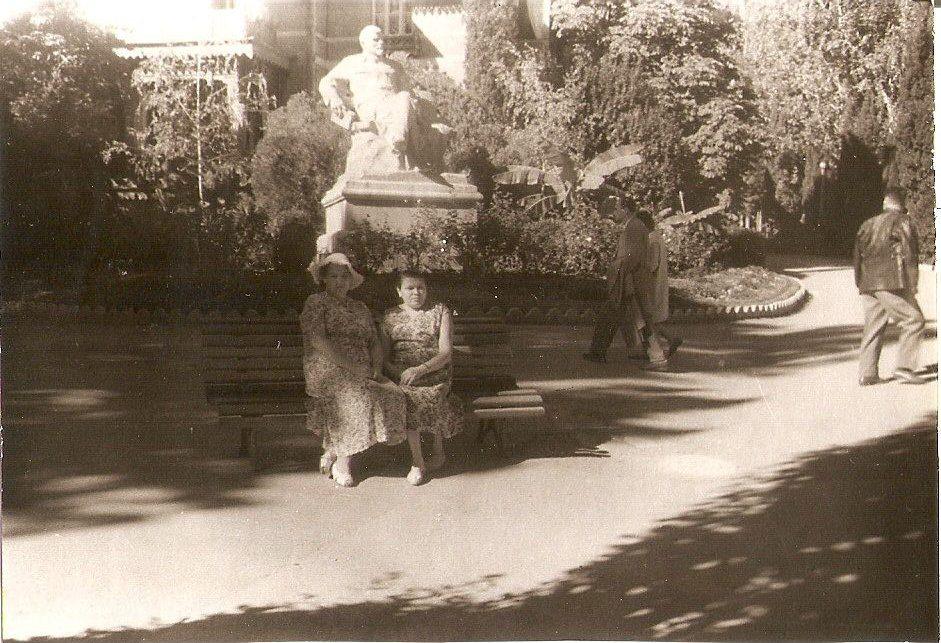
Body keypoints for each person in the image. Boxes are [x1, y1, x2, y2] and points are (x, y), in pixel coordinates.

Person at [300, 253, 410, 487]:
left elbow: (374, 341)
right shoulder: (316, 302)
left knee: (393, 394)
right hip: (328, 367)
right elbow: (318, 341)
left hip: (363, 368)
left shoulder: (359, 307)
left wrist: (377, 368)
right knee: (356, 396)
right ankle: (343, 463)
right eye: (334, 276)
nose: (339, 281)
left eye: (344, 277)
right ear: (324, 279)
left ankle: (334, 448)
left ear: (351, 281)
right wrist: (354, 367)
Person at [318, 25, 450, 179]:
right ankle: (402, 142)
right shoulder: (352, 62)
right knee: (404, 99)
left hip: (396, 106)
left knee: (406, 98)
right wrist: (334, 99)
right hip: (370, 107)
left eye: (382, 39)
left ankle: (400, 139)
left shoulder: (395, 66)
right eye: (376, 40)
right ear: (363, 43)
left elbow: (410, 94)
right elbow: (326, 82)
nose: (381, 42)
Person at [380, 271, 464, 483]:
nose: (416, 292)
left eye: (421, 288)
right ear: (399, 291)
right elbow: (384, 357)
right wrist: (400, 373)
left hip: (434, 373)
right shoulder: (389, 316)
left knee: (423, 396)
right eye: (410, 288)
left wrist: (419, 370)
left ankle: (437, 453)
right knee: (405, 396)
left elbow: (446, 353)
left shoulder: (440, 311)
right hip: (403, 378)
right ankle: (418, 462)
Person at [583, 188, 670, 371]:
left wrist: (615, 271)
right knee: (617, 317)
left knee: (641, 321)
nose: (614, 214)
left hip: (631, 282)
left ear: (625, 209)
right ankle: (598, 352)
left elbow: (632, 258)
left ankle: (658, 358)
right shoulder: (635, 225)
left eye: (616, 209)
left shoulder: (634, 227)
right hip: (629, 281)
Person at [852, 190, 926, 386]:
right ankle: (905, 368)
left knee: (873, 325)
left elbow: (857, 256)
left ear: (885, 204)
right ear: (902, 204)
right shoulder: (903, 221)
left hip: (868, 283)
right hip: (890, 281)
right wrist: (912, 284)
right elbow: (910, 255)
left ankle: (867, 373)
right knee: (914, 320)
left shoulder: (867, 224)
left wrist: (860, 282)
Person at [635, 210, 683, 359]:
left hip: (651, 285)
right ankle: (664, 342)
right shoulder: (656, 238)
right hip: (654, 284)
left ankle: (656, 349)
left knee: (647, 320)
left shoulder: (652, 240)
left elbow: (651, 265)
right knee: (648, 320)